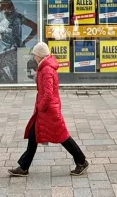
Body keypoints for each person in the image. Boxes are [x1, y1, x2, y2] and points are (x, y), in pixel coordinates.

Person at [9, 42, 90, 177]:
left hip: (48, 110)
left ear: (40, 56)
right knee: (33, 135)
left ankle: (82, 161)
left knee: (62, 136)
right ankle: (23, 167)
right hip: (46, 109)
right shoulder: (44, 67)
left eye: (35, 55)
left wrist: (41, 106)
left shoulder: (46, 70)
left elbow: (48, 93)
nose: (34, 57)